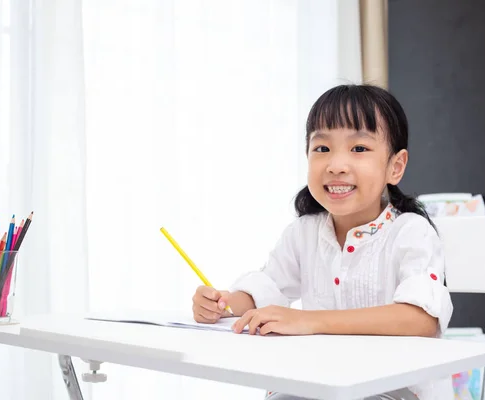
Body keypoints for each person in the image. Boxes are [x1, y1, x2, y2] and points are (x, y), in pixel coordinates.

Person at [191, 84, 454, 400]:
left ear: (395, 167)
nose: (336, 165)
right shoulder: (304, 232)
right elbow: (266, 287)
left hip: (395, 392)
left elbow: (420, 319)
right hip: (321, 386)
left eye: (358, 149)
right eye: (322, 149)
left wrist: (308, 321)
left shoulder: (412, 232)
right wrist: (224, 304)